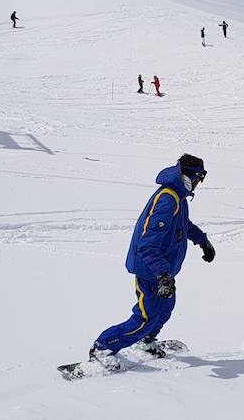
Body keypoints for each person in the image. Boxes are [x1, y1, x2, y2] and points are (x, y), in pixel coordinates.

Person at [89, 154, 216, 371]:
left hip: (162, 270)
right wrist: (162, 275)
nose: (199, 183)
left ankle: (145, 340)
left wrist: (202, 241)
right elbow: (147, 245)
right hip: (151, 270)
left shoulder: (178, 197)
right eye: (199, 178)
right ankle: (103, 347)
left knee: (165, 309)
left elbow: (183, 224)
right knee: (146, 316)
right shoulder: (168, 199)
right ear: (188, 176)